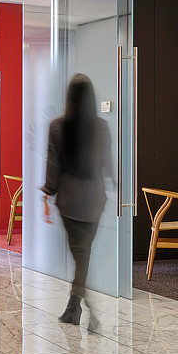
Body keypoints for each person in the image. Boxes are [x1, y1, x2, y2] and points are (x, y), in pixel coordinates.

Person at [41, 73, 114, 327]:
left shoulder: (57, 126)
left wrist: (47, 194)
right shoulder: (100, 127)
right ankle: (78, 306)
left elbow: (53, 165)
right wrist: (114, 185)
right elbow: (106, 164)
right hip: (94, 199)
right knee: (84, 254)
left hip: (70, 201)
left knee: (81, 254)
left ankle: (78, 307)